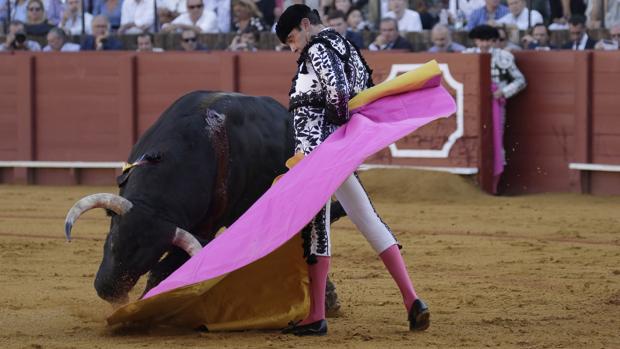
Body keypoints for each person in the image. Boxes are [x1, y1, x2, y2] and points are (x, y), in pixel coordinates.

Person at [275, 4, 429, 336]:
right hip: (338, 150)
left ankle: (316, 315)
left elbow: (341, 96)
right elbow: (362, 91)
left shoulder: (318, 47)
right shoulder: (349, 47)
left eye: (291, 38)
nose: (293, 47)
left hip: (319, 153)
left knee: (317, 227)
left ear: (306, 25)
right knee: (367, 218)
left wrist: (327, 138)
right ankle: (412, 300)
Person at [464, 25, 526, 194]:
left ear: (494, 41)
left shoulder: (503, 57)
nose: (484, 44)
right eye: (481, 40)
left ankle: (494, 186)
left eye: (488, 40)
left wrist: (502, 92)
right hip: (472, 107)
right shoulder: (467, 55)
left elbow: (520, 81)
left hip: (495, 105)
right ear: (475, 40)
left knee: (495, 142)